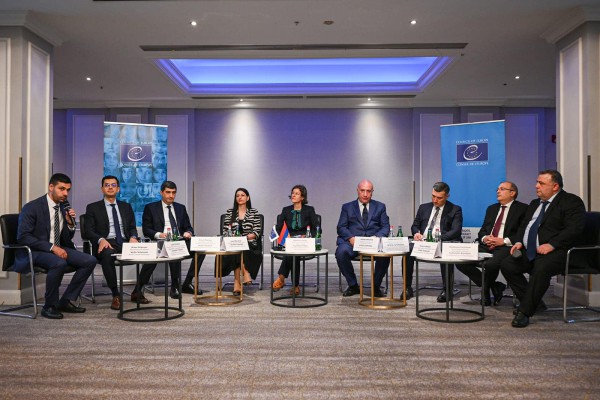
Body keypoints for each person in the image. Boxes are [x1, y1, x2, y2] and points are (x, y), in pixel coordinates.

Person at [501, 170, 585, 328]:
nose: (536, 186)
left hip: (558, 251)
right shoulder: (535, 203)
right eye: (537, 182)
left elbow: (574, 229)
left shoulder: (571, 201)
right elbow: (524, 226)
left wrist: (552, 244)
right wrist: (518, 241)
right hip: (531, 250)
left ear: (555, 186)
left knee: (541, 268)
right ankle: (535, 302)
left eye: (541, 183)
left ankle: (525, 312)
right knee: (507, 265)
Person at [15, 173, 96, 319]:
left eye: (68, 190)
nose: (65, 193)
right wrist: (52, 248)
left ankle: (65, 301)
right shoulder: (32, 207)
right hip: (36, 250)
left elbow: (66, 237)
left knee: (90, 260)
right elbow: (23, 237)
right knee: (59, 263)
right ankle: (49, 306)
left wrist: (70, 224)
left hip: (59, 247)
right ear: (51, 187)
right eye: (62, 189)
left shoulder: (63, 207)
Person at [131, 180, 205, 302]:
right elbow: (146, 230)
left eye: (173, 192)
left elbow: (188, 227)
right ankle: (138, 290)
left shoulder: (180, 208)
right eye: (168, 192)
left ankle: (187, 283)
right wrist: (160, 234)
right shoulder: (151, 208)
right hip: (160, 242)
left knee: (200, 249)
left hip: (179, 240)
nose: (171, 195)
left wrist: (188, 232)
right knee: (169, 249)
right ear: (161, 192)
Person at [455, 181, 528, 306]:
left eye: (502, 189)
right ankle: (494, 286)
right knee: (461, 261)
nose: (498, 191)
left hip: (506, 247)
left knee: (491, 264)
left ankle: (485, 292)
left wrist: (503, 241)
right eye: (497, 189)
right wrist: (485, 238)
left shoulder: (523, 209)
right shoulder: (492, 208)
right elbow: (483, 230)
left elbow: (523, 233)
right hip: (487, 245)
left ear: (512, 193)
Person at [83, 175, 140, 310]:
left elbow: (132, 227)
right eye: (107, 185)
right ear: (102, 189)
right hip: (106, 243)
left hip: (125, 243)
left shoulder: (126, 207)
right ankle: (115, 294)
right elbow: (88, 231)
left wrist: (133, 237)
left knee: (151, 254)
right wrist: (101, 239)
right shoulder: (93, 207)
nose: (110, 187)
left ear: (118, 189)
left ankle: (138, 290)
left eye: (113, 185)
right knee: (108, 254)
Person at [404, 181, 462, 302]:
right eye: (433, 196)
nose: (435, 200)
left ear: (447, 196)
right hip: (424, 242)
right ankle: (407, 287)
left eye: (439, 198)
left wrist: (438, 239)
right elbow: (415, 225)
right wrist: (416, 233)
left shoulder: (455, 209)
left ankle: (447, 290)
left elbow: (456, 231)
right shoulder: (423, 207)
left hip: (442, 241)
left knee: (445, 250)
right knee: (407, 251)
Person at [336, 179, 389, 297]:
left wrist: (376, 238)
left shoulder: (380, 206)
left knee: (385, 255)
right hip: (353, 243)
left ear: (372, 192)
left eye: (368, 191)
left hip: (374, 243)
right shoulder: (347, 207)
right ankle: (353, 285)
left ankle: (376, 286)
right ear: (357, 191)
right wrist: (351, 238)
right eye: (362, 191)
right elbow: (341, 227)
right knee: (341, 252)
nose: (365, 194)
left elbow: (385, 227)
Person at [272, 185, 320, 296]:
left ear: (302, 197)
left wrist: (308, 236)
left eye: (297, 193)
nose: (293, 195)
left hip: (304, 241)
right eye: (293, 193)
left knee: (294, 252)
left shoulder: (309, 210)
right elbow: (279, 228)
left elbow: (317, 228)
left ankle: (281, 278)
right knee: (293, 253)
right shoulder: (286, 210)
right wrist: (285, 237)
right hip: (289, 240)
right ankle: (295, 285)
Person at [221, 188, 263, 295]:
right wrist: (235, 238)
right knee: (237, 246)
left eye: (242, 195)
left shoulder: (253, 212)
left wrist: (245, 238)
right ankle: (245, 273)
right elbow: (225, 231)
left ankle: (237, 282)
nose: (240, 197)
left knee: (241, 247)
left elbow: (257, 231)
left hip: (249, 243)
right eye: (237, 195)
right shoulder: (230, 212)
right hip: (233, 243)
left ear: (248, 198)